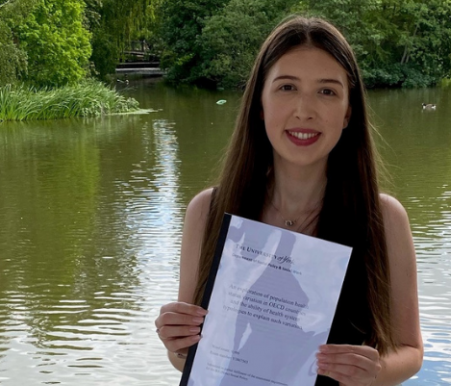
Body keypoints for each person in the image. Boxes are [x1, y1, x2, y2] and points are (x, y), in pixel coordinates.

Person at [154, 15, 423, 386]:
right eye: (286, 88)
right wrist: (176, 341)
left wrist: (376, 371)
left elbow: (411, 350)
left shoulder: (384, 219)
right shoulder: (207, 212)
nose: (304, 110)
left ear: (348, 112)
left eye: (327, 91)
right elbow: (185, 358)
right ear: (260, 104)